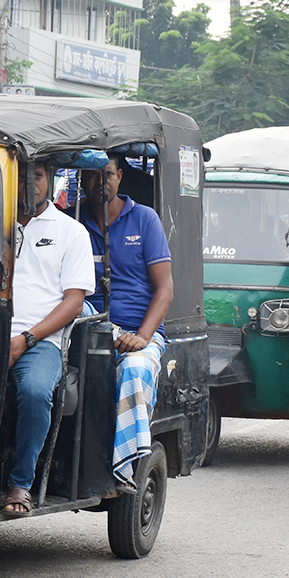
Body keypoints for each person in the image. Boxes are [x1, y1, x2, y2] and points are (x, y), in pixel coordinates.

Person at [77, 155, 174, 492]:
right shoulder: (71, 220)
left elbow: (165, 290)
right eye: (92, 175)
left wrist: (143, 337)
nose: (100, 182)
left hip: (139, 334)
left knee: (135, 369)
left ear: (119, 176)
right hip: (83, 328)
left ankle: (122, 468)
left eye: (107, 174)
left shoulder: (145, 219)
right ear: (81, 179)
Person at [3, 161, 95, 513]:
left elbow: (74, 302)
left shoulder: (71, 232)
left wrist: (25, 339)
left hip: (41, 341)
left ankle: (20, 483)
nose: (29, 184)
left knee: (36, 392)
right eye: (21, 176)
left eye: (37, 176)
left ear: (51, 179)